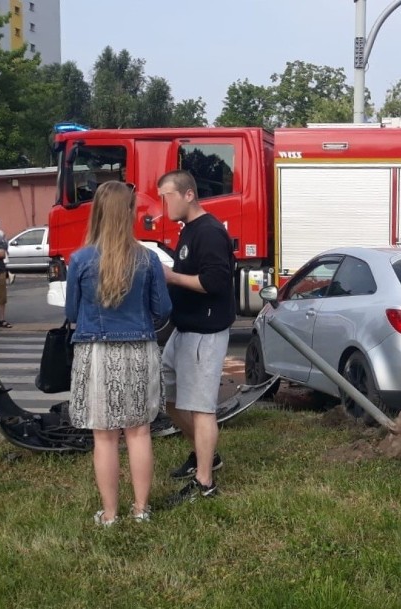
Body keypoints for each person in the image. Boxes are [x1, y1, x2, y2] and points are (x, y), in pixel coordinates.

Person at [65, 181, 172, 526]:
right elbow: (163, 309)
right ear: (128, 214)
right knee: (138, 432)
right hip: (140, 349)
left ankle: (110, 513)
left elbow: (70, 313)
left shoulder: (80, 260)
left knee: (105, 436)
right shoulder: (149, 258)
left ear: (96, 212)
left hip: (96, 352)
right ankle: (141, 510)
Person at [157, 170, 236, 505]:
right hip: (183, 329)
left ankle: (205, 482)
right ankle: (204, 455)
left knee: (202, 408)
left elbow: (214, 282)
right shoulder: (189, 230)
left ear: (188, 194)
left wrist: (171, 277)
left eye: (168, 195)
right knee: (171, 398)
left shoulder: (211, 232)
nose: (164, 203)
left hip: (205, 332)